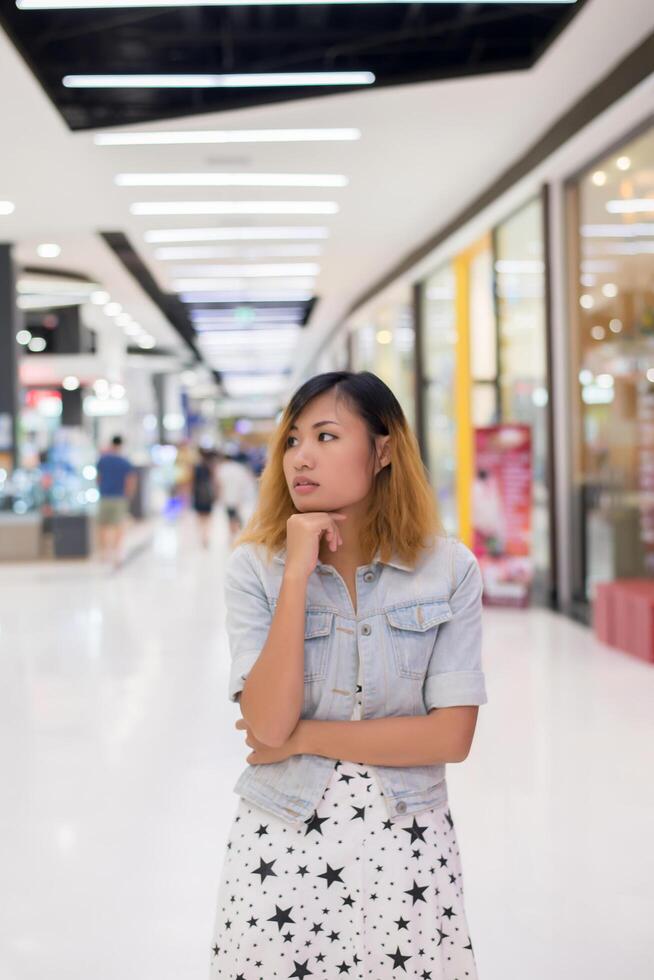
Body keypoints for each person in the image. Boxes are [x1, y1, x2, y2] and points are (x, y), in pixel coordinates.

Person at [209, 371, 488, 979]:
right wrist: (296, 577)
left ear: (383, 450)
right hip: (281, 838)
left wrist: (306, 738)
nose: (300, 457)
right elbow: (268, 721)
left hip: (409, 841)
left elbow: (450, 738)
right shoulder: (255, 569)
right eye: (292, 440)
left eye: (327, 436)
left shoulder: (448, 569)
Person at [95, 435, 136, 567]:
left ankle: (104, 552)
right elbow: (130, 479)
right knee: (118, 525)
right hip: (119, 497)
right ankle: (117, 552)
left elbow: (98, 478)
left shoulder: (103, 460)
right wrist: (128, 494)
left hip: (105, 496)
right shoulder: (124, 461)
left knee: (103, 525)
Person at [214, 449, 258, 539]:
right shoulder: (239, 468)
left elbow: (218, 484)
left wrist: (218, 496)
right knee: (236, 514)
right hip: (238, 496)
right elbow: (245, 482)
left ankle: (233, 533)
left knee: (231, 515)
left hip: (227, 496)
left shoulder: (222, 469)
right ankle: (237, 532)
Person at [192, 447, 217, 549]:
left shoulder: (196, 467)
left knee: (200, 517)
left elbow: (192, 482)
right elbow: (214, 481)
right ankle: (205, 535)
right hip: (207, 495)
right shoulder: (210, 467)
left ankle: (203, 535)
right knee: (207, 518)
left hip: (198, 494)